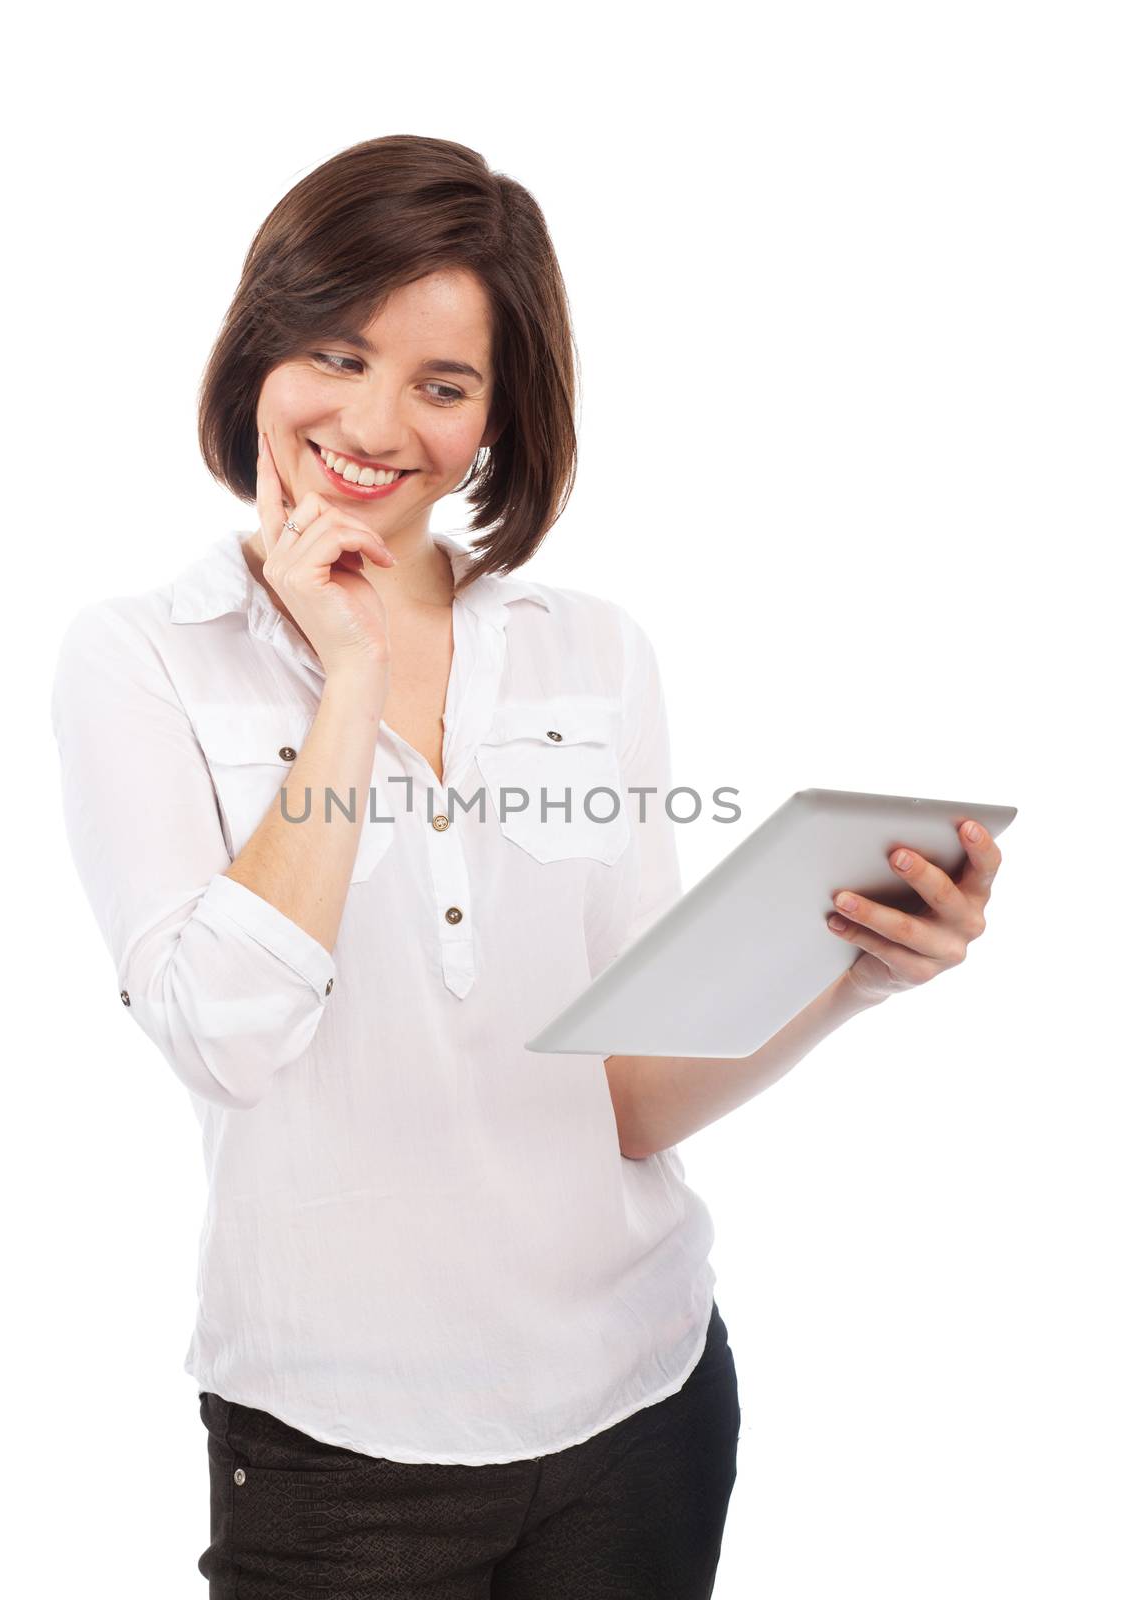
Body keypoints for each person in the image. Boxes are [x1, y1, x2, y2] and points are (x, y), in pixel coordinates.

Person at [50, 135, 1003, 1599]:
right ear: (256, 353)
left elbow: (623, 1094)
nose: (375, 423)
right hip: (336, 1449)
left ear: (501, 416)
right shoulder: (139, 659)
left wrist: (848, 984)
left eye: (444, 384)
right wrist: (350, 679)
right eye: (335, 353)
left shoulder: (591, 650)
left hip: (644, 1401)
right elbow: (226, 1036)